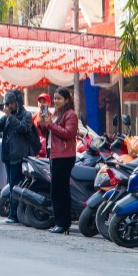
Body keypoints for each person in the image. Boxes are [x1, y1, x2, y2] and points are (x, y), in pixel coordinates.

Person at [37, 87, 79, 234]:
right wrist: (43, 124)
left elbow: (68, 134)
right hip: (54, 154)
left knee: (60, 190)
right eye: (55, 98)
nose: (56, 101)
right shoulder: (56, 114)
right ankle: (59, 222)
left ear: (67, 100)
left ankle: (63, 224)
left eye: (59, 98)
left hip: (64, 156)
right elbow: (48, 133)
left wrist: (50, 124)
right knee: (55, 190)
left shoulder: (70, 115)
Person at [0, 89, 34, 225]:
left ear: (17, 102)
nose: (8, 106)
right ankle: (14, 214)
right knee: (12, 185)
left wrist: (10, 117)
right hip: (8, 156)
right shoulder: (7, 116)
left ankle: (14, 215)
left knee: (15, 185)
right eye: (6, 104)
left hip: (19, 156)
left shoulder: (26, 115)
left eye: (10, 103)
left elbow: (22, 128)